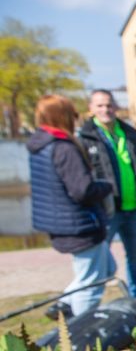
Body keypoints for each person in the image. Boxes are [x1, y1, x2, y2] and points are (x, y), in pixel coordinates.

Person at [27, 95, 114, 317]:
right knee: (91, 283)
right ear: (63, 117)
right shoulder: (64, 148)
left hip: (62, 222)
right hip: (80, 224)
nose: (75, 119)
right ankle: (81, 331)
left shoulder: (42, 145)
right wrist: (105, 187)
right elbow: (82, 190)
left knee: (106, 268)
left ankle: (65, 304)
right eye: (72, 114)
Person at [78, 89, 136, 299]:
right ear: (91, 108)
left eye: (109, 105)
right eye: (100, 105)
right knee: (101, 259)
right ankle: (92, 300)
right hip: (106, 212)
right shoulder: (86, 139)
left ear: (116, 107)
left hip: (133, 208)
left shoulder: (129, 135)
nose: (106, 109)